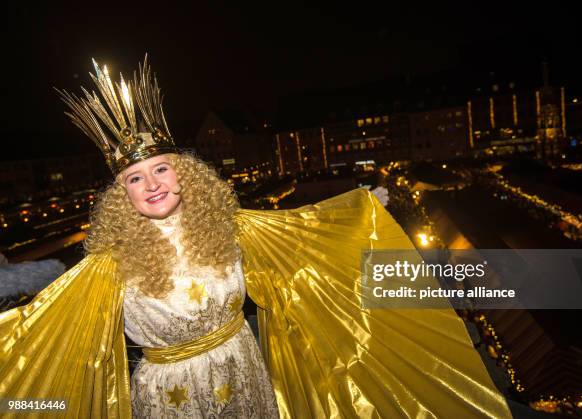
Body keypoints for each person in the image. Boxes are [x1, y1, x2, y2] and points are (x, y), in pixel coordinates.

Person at [0, 57, 512, 418]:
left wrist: (360, 211)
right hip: (172, 393)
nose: (151, 184)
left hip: (243, 366)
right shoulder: (108, 263)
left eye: (160, 169)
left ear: (185, 175)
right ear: (122, 195)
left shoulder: (230, 225)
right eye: (135, 178)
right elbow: (44, 327)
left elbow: (302, 232)